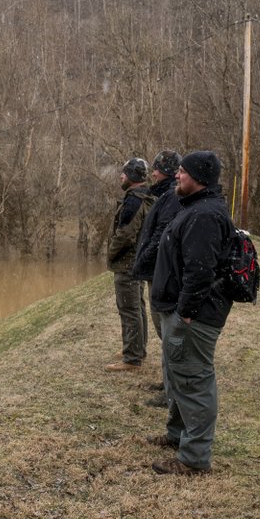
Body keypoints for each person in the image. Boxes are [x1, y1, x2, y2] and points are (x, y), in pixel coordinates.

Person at [148, 150, 233, 474]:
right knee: (178, 375)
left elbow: (200, 271)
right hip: (180, 310)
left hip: (194, 316)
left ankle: (194, 459)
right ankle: (177, 435)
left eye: (182, 172)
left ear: (198, 178)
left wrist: (184, 314)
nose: (177, 176)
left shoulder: (205, 216)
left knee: (194, 380)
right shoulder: (195, 208)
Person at [131, 150, 181, 405]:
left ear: (168, 172)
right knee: (165, 332)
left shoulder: (171, 197)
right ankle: (167, 382)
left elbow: (162, 235)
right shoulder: (165, 195)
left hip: (161, 273)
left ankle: (172, 391)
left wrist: (142, 261)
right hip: (156, 272)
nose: (152, 173)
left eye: (157, 170)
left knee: (167, 333)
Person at [105, 157, 154, 372]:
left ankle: (132, 357)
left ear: (132, 176)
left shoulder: (134, 201)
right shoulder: (146, 197)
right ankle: (137, 348)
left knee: (129, 308)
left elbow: (125, 234)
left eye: (124, 173)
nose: (121, 176)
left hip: (128, 263)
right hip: (138, 261)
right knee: (137, 306)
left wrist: (110, 253)